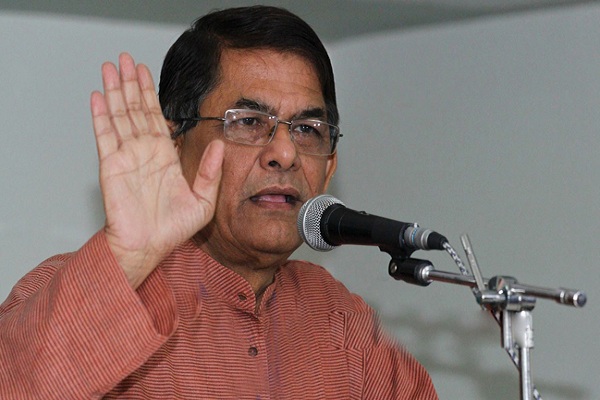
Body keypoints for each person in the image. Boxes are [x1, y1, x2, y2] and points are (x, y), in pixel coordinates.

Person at [0, 6, 437, 399]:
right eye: (248, 122)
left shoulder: (345, 325)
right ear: (172, 146)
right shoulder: (78, 288)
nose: (285, 153)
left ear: (329, 168)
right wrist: (126, 260)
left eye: (307, 129)